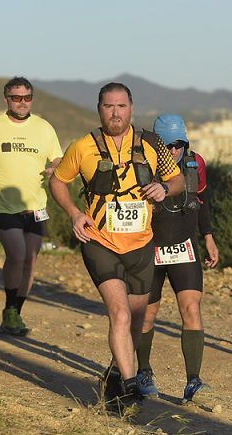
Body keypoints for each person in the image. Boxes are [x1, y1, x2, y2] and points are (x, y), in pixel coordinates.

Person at [49, 82, 185, 409]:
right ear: (99, 109)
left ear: (131, 108)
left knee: (136, 321)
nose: (115, 112)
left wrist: (164, 188)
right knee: (120, 314)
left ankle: (114, 373)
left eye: (121, 106)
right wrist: (73, 214)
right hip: (100, 241)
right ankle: (129, 387)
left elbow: (179, 180)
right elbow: (58, 181)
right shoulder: (82, 147)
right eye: (108, 106)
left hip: (140, 244)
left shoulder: (152, 144)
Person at [135, 113, 220, 404]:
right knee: (148, 313)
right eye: (166, 145)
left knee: (191, 308)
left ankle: (193, 381)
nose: (173, 151)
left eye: (178, 144)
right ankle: (144, 372)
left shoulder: (196, 163)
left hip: (184, 246)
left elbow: (202, 202)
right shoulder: (143, 165)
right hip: (150, 247)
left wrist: (208, 237)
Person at [0, 77, 63, 336]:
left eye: (27, 97)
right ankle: (10, 307)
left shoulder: (44, 128)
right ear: (6, 99)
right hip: (2, 205)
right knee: (17, 254)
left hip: (36, 206)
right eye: (16, 97)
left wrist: (55, 166)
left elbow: (58, 157)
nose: (22, 102)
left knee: (30, 261)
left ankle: (13, 311)